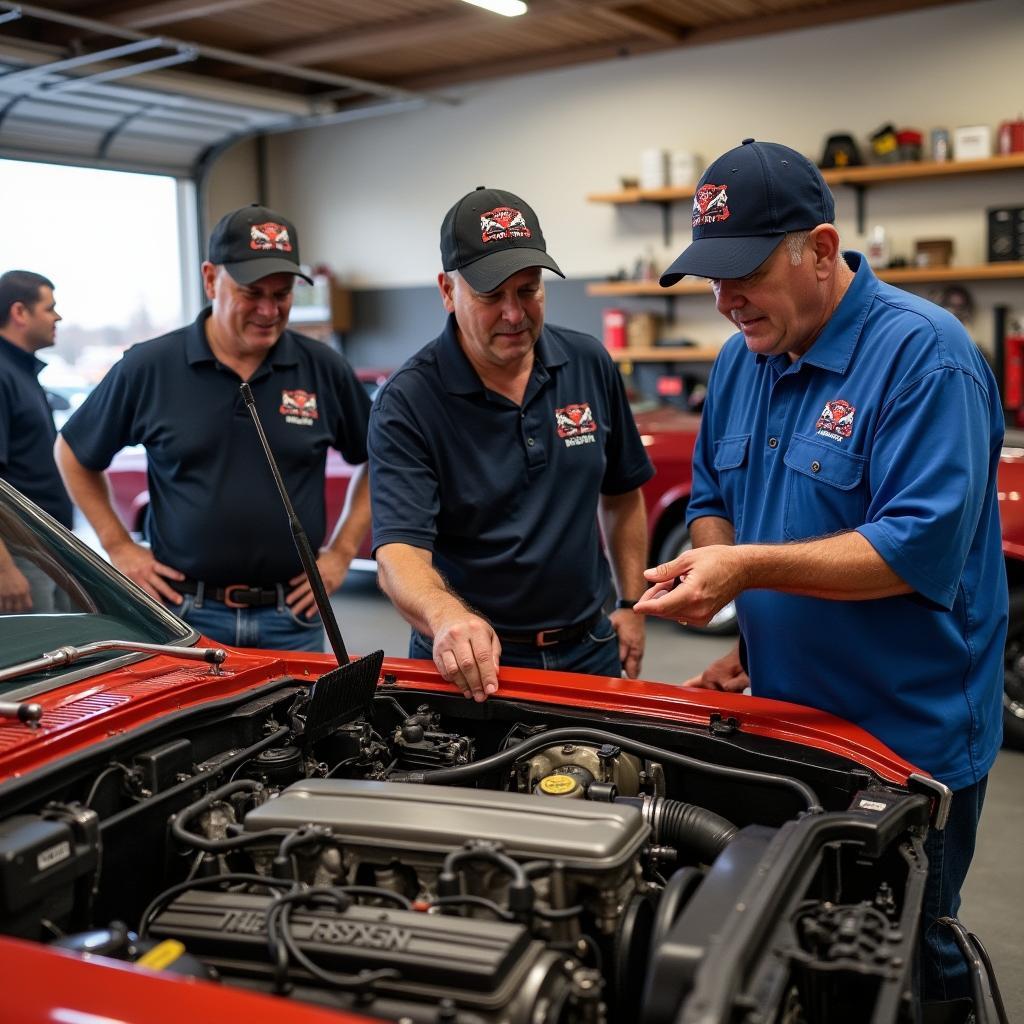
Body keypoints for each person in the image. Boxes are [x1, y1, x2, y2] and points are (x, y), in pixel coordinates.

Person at [634, 139, 1006, 1008]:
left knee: (907, 951)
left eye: (746, 274)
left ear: (823, 251)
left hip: (906, 740)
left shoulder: (925, 358)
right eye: (711, 278)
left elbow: (917, 548)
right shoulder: (740, 361)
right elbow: (715, 496)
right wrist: (733, 597)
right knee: (804, 942)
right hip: (785, 719)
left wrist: (743, 568)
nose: (725, 303)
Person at [369, 186, 653, 701]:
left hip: (590, 647)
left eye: (528, 290)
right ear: (446, 291)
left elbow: (623, 493)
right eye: (490, 295)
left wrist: (631, 604)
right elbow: (399, 554)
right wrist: (448, 616)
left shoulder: (589, 362)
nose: (515, 314)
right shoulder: (408, 399)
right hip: (472, 662)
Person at [56, 204, 372, 651]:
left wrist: (341, 553)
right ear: (210, 279)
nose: (268, 309)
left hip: (292, 619)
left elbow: (379, 459)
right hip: (185, 616)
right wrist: (119, 547)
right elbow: (71, 451)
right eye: (251, 292)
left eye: (281, 294)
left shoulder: (324, 369)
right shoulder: (150, 367)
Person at [0, 269, 74, 613]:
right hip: (20, 555)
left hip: (46, 551)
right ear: (19, 313)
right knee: (40, 665)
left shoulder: (21, 372)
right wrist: (4, 568)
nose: (57, 316)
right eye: (49, 307)